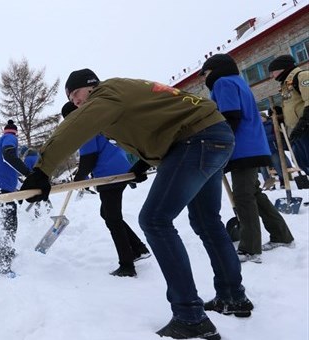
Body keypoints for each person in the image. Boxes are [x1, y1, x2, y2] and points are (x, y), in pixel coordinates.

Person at [20, 68, 252, 339]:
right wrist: (144, 161)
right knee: (205, 221)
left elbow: (75, 127)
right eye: (71, 99)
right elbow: (156, 123)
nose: (75, 102)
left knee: (155, 220)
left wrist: (42, 169)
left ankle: (190, 315)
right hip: (213, 134)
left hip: (195, 140)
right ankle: (233, 296)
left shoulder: (106, 94)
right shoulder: (122, 94)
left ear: (89, 86)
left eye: (75, 94)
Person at [199, 54, 295, 264]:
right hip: (253, 144)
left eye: (204, 73)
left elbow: (231, 116)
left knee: (243, 196)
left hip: (242, 147)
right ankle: (281, 235)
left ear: (213, 69)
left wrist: (221, 145)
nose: (203, 78)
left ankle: (250, 249)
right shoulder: (237, 81)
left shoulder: (223, 83)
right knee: (254, 193)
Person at [61, 101, 150, 277]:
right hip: (118, 169)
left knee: (113, 218)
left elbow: (89, 157)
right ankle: (138, 248)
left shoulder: (83, 125)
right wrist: (82, 176)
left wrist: (79, 178)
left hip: (109, 175)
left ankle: (127, 265)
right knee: (108, 215)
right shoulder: (95, 121)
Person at [0, 120, 31, 277]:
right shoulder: (10, 138)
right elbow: (8, 156)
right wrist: (30, 174)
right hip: (0, 188)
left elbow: (7, 170)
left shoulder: (0, 141)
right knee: (9, 226)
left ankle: (7, 255)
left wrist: (23, 186)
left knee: (8, 223)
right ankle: (2, 267)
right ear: (15, 132)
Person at [268, 54, 309, 175]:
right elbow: (295, 105)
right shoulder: (286, 84)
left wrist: (303, 124)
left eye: (272, 72)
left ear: (282, 69)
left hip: (305, 128)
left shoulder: (302, 76)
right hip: (297, 131)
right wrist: (280, 112)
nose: (272, 76)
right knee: (303, 162)